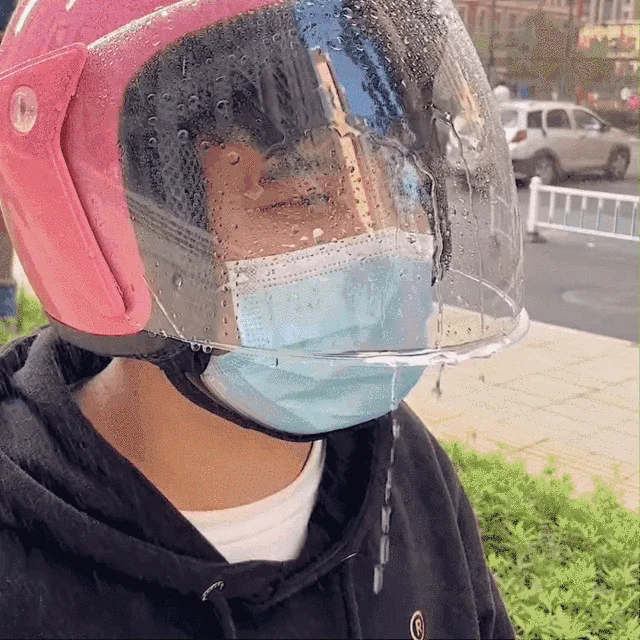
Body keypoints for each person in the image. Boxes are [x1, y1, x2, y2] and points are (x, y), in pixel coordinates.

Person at [0, 0, 527, 637]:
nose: (384, 239)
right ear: (111, 236)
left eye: (404, 186)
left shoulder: (403, 466)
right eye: (304, 196)